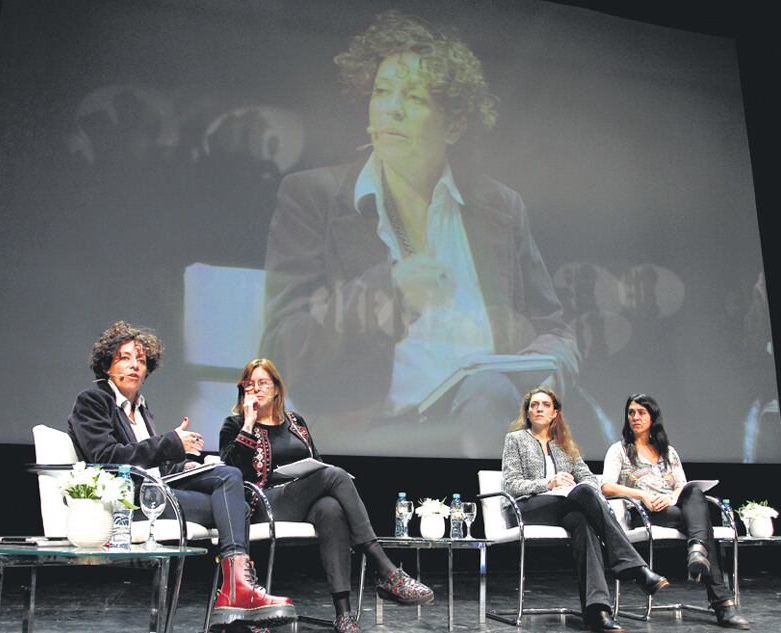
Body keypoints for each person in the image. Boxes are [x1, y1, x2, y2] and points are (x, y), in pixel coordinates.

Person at [260, 10, 580, 458]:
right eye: (381, 91)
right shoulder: (315, 197)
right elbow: (281, 349)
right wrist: (387, 292)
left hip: (494, 413)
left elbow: (555, 330)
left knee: (493, 392)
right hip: (373, 433)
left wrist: (537, 372)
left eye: (413, 97)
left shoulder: (500, 207)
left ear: (454, 124)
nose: (390, 108)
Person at [66, 321, 296, 630]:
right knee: (234, 501)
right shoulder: (94, 400)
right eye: (125, 358)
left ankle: (236, 592)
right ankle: (237, 592)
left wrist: (183, 466)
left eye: (141, 360)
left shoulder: (141, 408)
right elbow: (106, 457)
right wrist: (171, 443)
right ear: (107, 365)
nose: (135, 366)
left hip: (156, 489)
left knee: (228, 478)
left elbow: (152, 463)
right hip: (129, 501)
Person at [218, 358, 434, 633]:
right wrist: (249, 423)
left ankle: (344, 615)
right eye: (251, 384)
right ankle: (386, 570)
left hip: (300, 499)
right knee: (336, 475)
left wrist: (311, 474)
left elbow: (316, 462)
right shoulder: (235, 424)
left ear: (277, 389)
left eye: (263, 383)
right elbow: (231, 471)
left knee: (332, 509)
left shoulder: (295, 422)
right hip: (262, 504)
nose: (257, 389)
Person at [501, 387, 669, 632]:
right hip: (528, 507)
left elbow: (590, 479)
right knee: (583, 495)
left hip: (565, 507)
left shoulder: (564, 444)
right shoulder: (515, 439)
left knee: (583, 521)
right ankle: (635, 567)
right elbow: (512, 483)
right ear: (527, 413)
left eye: (545, 405)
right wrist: (549, 483)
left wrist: (575, 486)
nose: (539, 409)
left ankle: (597, 612)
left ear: (555, 413)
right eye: (534, 405)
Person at [600, 394, 750, 629]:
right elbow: (606, 486)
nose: (635, 417)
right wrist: (643, 496)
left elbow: (681, 485)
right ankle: (722, 601)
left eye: (641, 412)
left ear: (653, 417)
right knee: (702, 527)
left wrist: (671, 497)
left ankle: (698, 551)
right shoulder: (619, 450)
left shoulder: (668, 452)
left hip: (675, 508)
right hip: (646, 512)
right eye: (631, 412)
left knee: (694, 492)